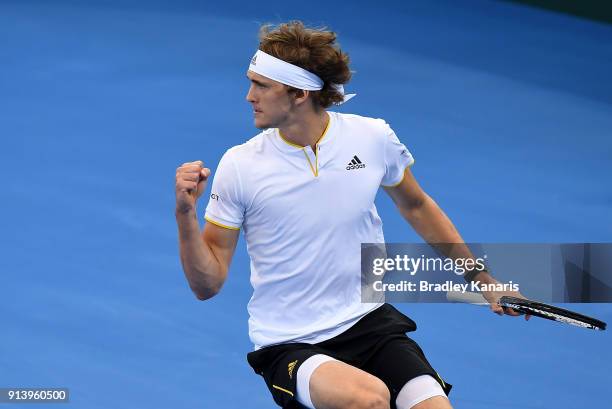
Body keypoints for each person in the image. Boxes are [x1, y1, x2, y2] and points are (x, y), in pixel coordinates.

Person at [175, 21, 526, 409]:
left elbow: (417, 205)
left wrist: (482, 279)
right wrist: (185, 215)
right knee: (368, 398)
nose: (248, 96)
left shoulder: (372, 137)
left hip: (369, 322)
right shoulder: (240, 165)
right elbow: (206, 285)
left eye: (262, 85)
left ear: (299, 94)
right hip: (290, 341)